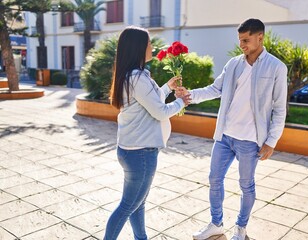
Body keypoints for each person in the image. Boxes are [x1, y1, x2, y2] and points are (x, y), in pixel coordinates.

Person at [177, 19, 288, 240]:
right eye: (240, 40)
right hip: (225, 136)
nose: (242, 45)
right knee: (214, 179)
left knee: (246, 185)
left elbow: (279, 108)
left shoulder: (276, 67)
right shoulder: (234, 64)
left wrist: (271, 141)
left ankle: (241, 228)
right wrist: (190, 95)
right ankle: (216, 223)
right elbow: (215, 88)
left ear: (260, 37)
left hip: (250, 140)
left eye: (246, 40)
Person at [103, 26, 191, 240]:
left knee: (137, 204)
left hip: (132, 150)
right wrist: (181, 101)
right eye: (149, 43)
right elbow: (160, 111)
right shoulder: (138, 78)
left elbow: (150, 100)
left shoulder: (132, 75)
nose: (152, 46)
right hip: (141, 153)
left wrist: (168, 88)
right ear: (139, 47)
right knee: (128, 206)